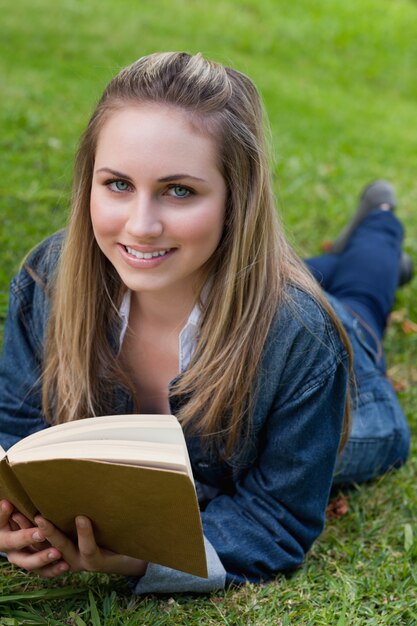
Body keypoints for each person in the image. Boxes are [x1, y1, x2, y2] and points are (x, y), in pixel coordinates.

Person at [0, 52, 411, 593]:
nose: (141, 225)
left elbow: (278, 516)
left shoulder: (304, 339)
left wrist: (142, 559)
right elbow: (15, 425)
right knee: (310, 282)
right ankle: (322, 266)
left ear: (234, 202)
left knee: (358, 302)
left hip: (337, 367)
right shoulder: (48, 279)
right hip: (221, 272)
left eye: (180, 190)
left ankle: (381, 224)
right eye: (118, 184)